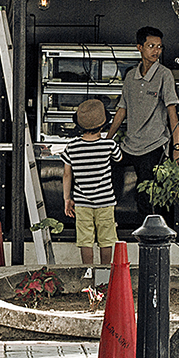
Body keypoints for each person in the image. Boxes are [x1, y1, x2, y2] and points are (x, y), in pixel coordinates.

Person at [106, 26, 179, 219]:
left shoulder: (164, 75)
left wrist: (177, 146)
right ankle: (112, 221)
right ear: (139, 47)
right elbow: (122, 110)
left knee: (146, 197)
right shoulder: (131, 76)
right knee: (108, 171)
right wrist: (106, 140)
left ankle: (150, 238)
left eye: (159, 47)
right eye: (151, 46)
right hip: (130, 144)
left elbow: (172, 112)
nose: (156, 51)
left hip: (153, 145)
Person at [63, 98, 122, 266]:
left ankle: (88, 270)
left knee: (85, 240)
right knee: (106, 239)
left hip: (82, 203)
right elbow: (119, 158)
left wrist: (67, 199)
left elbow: (67, 175)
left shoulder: (72, 147)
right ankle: (104, 271)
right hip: (105, 201)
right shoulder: (109, 145)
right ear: (102, 125)